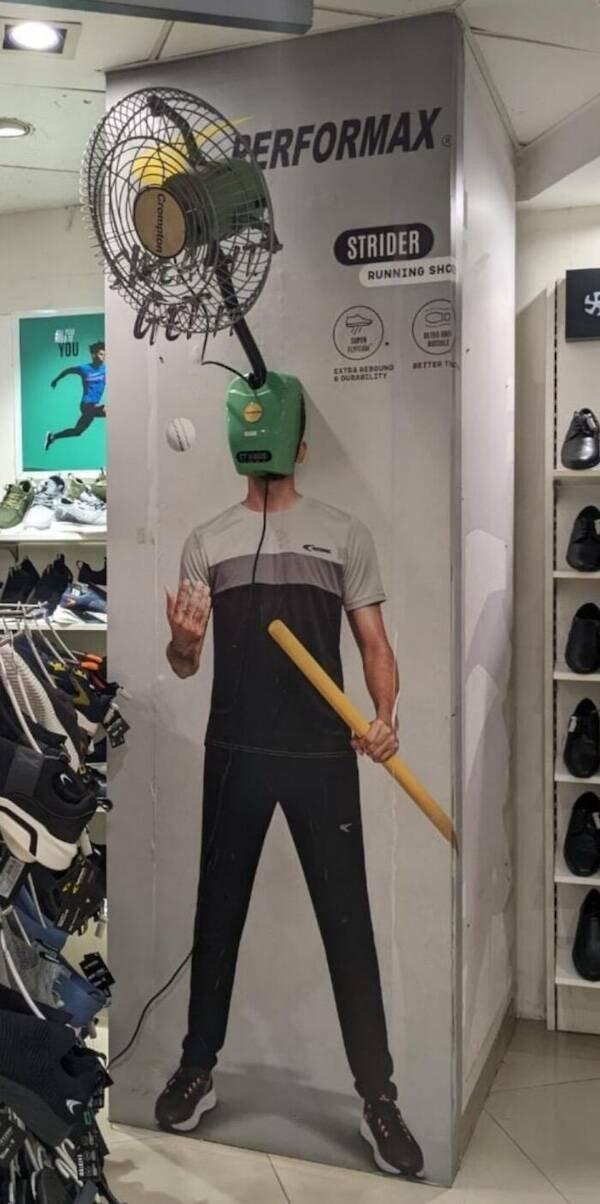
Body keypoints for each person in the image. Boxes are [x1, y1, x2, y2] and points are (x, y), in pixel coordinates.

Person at [155, 395, 424, 1179]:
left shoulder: (344, 533)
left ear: (301, 449)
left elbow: (375, 643)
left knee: (349, 924)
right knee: (218, 914)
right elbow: (183, 666)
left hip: (320, 755)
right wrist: (181, 644)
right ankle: (197, 1067)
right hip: (235, 750)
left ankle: (378, 1097)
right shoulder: (207, 542)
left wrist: (385, 716)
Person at [45, 342, 106, 451]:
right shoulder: (84, 368)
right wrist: (56, 380)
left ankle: (53, 437)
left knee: (78, 431)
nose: (103, 357)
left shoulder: (105, 369)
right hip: (86, 405)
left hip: (93, 406)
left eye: (104, 355)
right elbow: (68, 370)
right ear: (93, 354)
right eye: (101, 354)